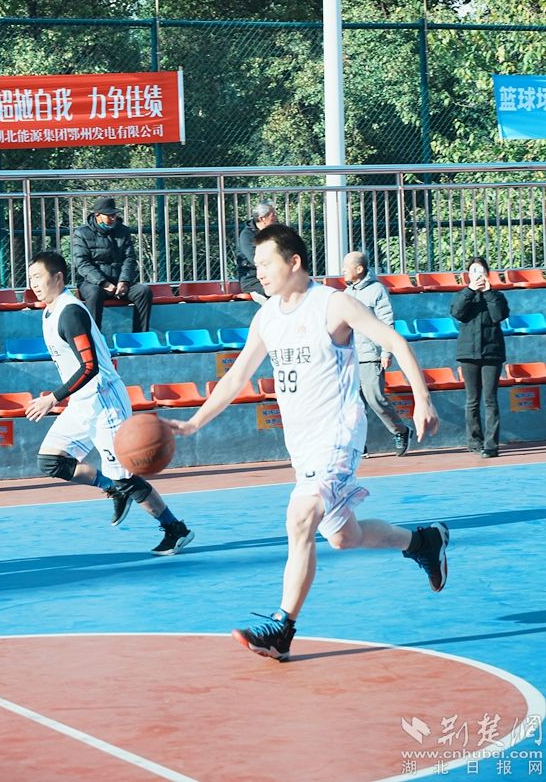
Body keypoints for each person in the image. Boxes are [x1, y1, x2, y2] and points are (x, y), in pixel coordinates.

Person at [168, 225, 447, 661]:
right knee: (344, 537)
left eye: (265, 263)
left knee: (300, 518)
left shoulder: (332, 304)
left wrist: (422, 398)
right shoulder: (267, 317)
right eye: (256, 265)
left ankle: (282, 629)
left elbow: (393, 340)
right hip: (302, 444)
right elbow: (237, 376)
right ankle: (422, 543)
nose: (259, 272)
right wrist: (193, 423)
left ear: (294, 261)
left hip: (338, 434)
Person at [25, 251, 193, 555]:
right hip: (81, 402)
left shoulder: (70, 313)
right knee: (51, 460)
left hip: (104, 400)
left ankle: (174, 528)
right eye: (30, 278)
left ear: (58, 277)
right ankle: (111, 488)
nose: (33, 283)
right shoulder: (49, 312)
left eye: (38, 277)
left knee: (125, 475)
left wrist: (53, 398)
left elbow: (90, 367)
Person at [343, 251, 412, 456]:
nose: (343, 271)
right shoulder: (346, 294)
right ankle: (358, 443)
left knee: (376, 399)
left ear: (359, 269)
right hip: (351, 356)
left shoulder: (377, 290)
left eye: (346, 267)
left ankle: (400, 430)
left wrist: (386, 352)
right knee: (352, 404)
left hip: (370, 355)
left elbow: (386, 322)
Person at [450, 257, 510, 459]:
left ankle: (491, 445)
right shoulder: (463, 295)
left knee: (490, 400)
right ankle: (474, 441)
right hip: (468, 353)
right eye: (473, 271)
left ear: (487, 274)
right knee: (472, 400)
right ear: (468, 275)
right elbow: (457, 313)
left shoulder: (497, 296)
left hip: (492, 353)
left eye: (480, 271)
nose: (477, 275)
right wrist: (470, 291)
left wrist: (488, 293)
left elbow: (499, 315)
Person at [73, 197, 152, 332]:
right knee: (95, 293)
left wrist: (124, 281)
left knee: (143, 292)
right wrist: (103, 283)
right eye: (109, 215)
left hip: (118, 281)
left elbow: (129, 258)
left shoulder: (123, 231)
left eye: (114, 215)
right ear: (97, 215)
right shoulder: (81, 233)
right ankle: (94, 336)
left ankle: (140, 336)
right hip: (92, 282)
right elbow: (82, 263)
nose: (113, 218)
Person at [235, 201, 277, 304]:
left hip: (273, 277)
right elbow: (256, 260)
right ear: (262, 218)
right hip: (253, 279)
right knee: (276, 294)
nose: (276, 218)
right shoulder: (247, 235)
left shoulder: (275, 232)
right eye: (273, 215)